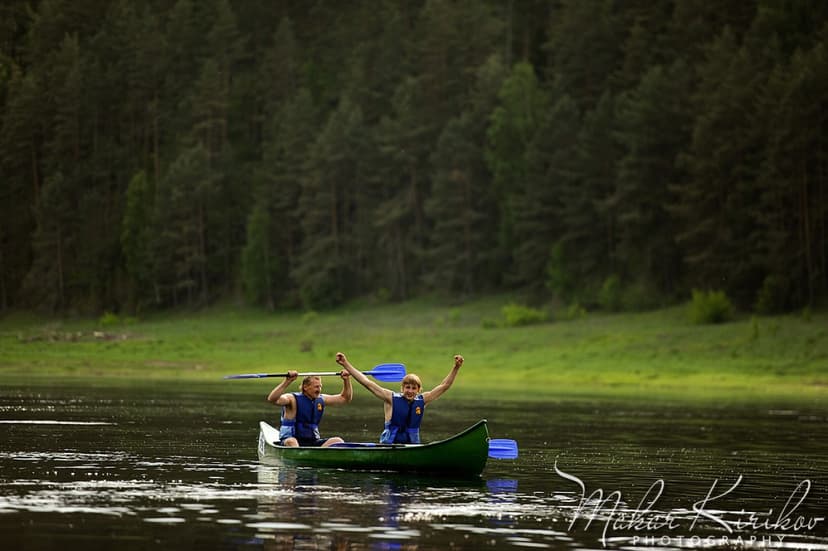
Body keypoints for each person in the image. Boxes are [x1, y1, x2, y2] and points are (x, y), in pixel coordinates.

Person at [335, 352, 463, 444]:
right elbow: (367, 383)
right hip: (390, 446)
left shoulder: (422, 400)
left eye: (413, 388)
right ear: (402, 388)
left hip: (411, 446)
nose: (410, 391)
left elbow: (444, 386)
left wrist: (456, 367)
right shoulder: (390, 398)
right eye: (407, 387)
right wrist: (346, 364)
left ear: (418, 390)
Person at [266, 364, 352, 447]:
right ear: (305, 387)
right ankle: (297, 454)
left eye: (320, 386)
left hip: (312, 441)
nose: (319, 390)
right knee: (292, 442)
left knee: (338, 441)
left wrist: (346, 380)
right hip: (291, 440)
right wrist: (287, 381)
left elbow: (345, 398)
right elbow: (272, 399)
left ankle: (317, 454)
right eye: (316, 387)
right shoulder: (292, 399)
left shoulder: (321, 399)